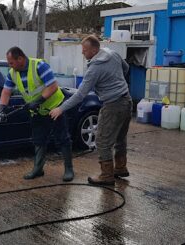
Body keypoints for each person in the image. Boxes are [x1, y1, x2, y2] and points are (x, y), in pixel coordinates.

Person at [50, 35, 132, 185]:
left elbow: (80, 95)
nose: (83, 53)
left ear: (94, 50)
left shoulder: (95, 68)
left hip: (112, 105)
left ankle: (107, 175)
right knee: (120, 138)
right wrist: (115, 81)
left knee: (102, 141)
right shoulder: (112, 53)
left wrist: (61, 108)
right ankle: (120, 167)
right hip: (126, 100)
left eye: (85, 50)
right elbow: (126, 69)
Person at [0, 46, 74, 182]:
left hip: (55, 108)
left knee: (62, 138)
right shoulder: (12, 73)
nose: (10, 65)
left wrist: (39, 100)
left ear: (20, 59)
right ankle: (38, 169)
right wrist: (1, 109)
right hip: (37, 112)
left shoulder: (39, 66)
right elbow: (6, 92)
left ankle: (68, 169)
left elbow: (53, 86)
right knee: (38, 140)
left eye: (11, 62)